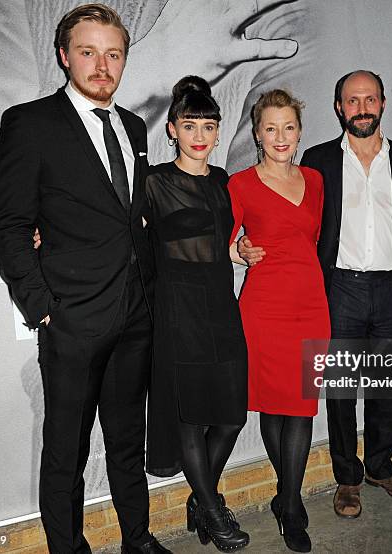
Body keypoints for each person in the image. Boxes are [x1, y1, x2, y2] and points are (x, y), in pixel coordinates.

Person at [0, 5, 170, 553]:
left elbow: (128, 217)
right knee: (66, 449)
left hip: (133, 314)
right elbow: (9, 223)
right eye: (88, 52)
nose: (102, 64)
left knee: (124, 439)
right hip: (71, 317)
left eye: (113, 54)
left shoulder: (134, 126)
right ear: (64, 56)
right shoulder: (31, 122)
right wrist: (41, 306)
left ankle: (137, 538)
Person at [239, 70, 392, 518]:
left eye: (370, 98)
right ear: (339, 107)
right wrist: (243, 246)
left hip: (390, 287)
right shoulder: (318, 162)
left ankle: (381, 465)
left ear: (383, 102)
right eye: (352, 99)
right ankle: (348, 478)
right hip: (336, 287)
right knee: (340, 390)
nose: (362, 107)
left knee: (384, 385)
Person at [143, 76, 250, 552]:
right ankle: (211, 508)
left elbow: (219, 245)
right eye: (190, 126)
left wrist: (239, 249)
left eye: (209, 125)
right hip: (178, 311)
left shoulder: (226, 181)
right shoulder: (154, 183)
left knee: (230, 417)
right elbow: (119, 231)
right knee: (190, 419)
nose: (200, 135)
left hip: (221, 306)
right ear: (172, 130)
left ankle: (201, 498)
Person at [228, 89, 331, 553]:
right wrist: (241, 251)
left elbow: (311, 239)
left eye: (288, 127)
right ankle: (290, 503)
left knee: (303, 406)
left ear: (300, 131)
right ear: (257, 134)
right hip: (264, 308)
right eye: (271, 128)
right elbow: (226, 245)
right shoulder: (241, 184)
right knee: (274, 406)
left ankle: (287, 498)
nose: (281, 136)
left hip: (311, 305)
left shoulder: (315, 178)